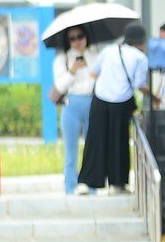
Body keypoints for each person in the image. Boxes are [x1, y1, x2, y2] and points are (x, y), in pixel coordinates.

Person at [78, 22, 150, 195]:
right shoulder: (140, 58)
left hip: (100, 99)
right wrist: (155, 96)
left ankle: (87, 182)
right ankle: (117, 184)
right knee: (119, 142)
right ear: (140, 41)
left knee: (95, 140)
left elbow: (93, 73)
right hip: (122, 100)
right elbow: (139, 84)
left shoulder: (109, 50)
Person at [51, 26, 97, 195]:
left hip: (92, 102)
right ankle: (70, 186)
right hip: (71, 103)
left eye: (80, 36)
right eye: (73, 38)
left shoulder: (94, 56)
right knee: (71, 149)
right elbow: (59, 85)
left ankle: (92, 185)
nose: (77, 41)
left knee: (92, 148)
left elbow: (99, 80)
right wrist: (72, 70)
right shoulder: (62, 60)